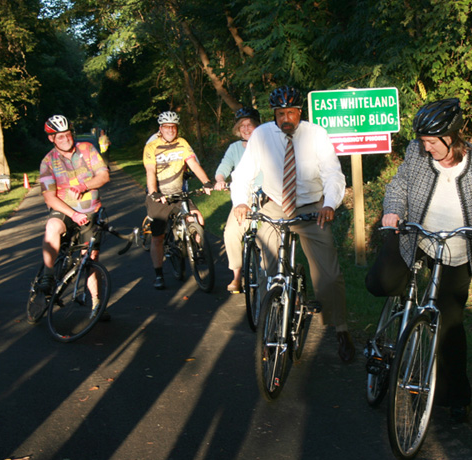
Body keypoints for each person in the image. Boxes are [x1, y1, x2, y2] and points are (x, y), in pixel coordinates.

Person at [365, 98, 472, 422]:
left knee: (449, 323)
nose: (425, 148)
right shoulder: (416, 154)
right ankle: (399, 315)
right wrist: (393, 210)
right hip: (414, 237)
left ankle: (455, 395)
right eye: (423, 141)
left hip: (458, 248)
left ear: (451, 137)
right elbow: (398, 186)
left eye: (431, 142)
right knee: (380, 282)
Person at [230, 85, 355, 363]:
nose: (286, 118)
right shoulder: (262, 135)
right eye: (280, 113)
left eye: (292, 112)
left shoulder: (316, 135)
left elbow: (333, 174)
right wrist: (239, 201)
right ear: (273, 113)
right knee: (268, 272)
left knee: (329, 275)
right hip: (275, 205)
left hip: (312, 207)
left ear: (300, 112)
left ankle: (341, 329)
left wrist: (329, 204)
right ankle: (270, 331)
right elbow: (242, 175)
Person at [38, 115, 111, 316]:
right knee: (52, 227)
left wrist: (84, 186)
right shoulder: (48, 162)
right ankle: (48, 275)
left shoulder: (87, 149)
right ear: (51, 138)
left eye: (68, 134)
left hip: (91, 211)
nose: (66, 139)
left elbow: (104, 175)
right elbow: (49, 198)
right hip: (64, 210)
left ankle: (96, 304)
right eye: (60, 137)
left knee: (90, 259)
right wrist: (73, 213)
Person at [143, 111, 213, 289]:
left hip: (178, 192)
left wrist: (206, 182)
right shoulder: (151, 147)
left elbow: (193, 164)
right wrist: (154, 192)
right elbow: (150, 171)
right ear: (161, 129)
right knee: (157, 238)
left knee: (197, 218)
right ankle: (158, 274)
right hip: (159, 195)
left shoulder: (182, 143)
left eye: (173, 127)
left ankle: (198, 251)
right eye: (166, 127)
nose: (170, 130)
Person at [213, 107, 262, 293]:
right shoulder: (234, 148)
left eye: (250, 124)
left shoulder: (266, 144)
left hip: (267, 197)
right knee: (231, 233)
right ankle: (237, 276)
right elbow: (224, 166)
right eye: (242, 126)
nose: (246, 128)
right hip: (244, 198)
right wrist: (219, 179)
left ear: (257, 126)